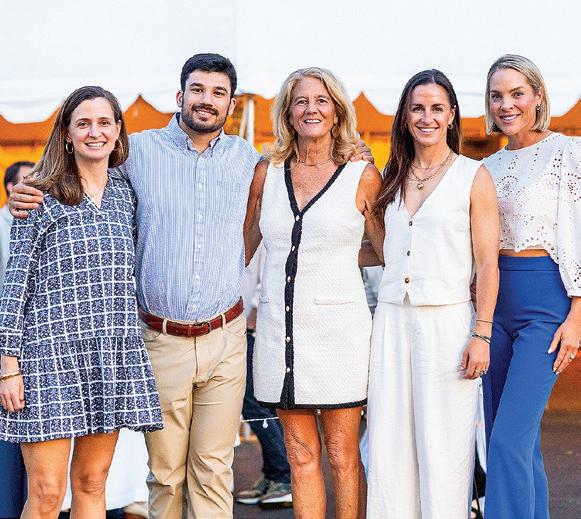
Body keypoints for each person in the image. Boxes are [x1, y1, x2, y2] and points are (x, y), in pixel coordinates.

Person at [9, 54, 372, 519]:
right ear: (180, 96)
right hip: (159, 338)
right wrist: (32, 188)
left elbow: (311, 193)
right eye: (197, 90)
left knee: (214, 469)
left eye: (218, 93)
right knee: (164, 474)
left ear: (231, 105)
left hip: (225, 337)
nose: (207, 100)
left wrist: (353, 154)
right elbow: (85, 167)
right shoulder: (136, 153)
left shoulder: (253, 162)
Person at [0, 86, 163, 519]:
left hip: (109, 353)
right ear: (67, 134)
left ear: (118, 130)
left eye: (104, 122)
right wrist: (8, 365)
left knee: (93, 483)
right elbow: (15, 285)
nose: (95, 132)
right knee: (46, 494)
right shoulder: (40, 195)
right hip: (48, 358)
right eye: (84, 123)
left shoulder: (128, 194)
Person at [244, 67, 383, 519]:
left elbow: (385, 249)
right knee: (300, 455)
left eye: (322, 100)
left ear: (337, 111)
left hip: (339, 336)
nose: (311, 109)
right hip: (279, 335)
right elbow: (243, 247)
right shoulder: (266, 172)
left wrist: (336, 254)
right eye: (301, 101)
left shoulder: (361, 173)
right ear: (287, 112)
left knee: (342, 454)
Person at [366, 69, 499, 519]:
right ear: (405, 116)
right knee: (389, 445)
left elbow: (488, 264)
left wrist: (482, 334)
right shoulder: (391, 176)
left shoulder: (473, 176)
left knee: (444, 447)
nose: (427, 117)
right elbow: (386, 250)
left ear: (452, 114)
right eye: (418, 108)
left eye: (437, 108)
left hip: (448, 324)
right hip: (391, 321)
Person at [481, 54, 580, 519]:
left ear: (538, 96)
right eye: (497, 96)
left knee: (506, 441)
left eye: (517, 93)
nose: (507, 104)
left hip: (545, 304)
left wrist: (577, 315)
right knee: (514, 441)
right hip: (492, 306)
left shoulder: (568, 153)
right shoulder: (486, 166)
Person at [235, 243, 293, 508]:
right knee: (253, 404)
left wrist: (253, 316)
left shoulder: (258, 218)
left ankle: (283, 477)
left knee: (254, 403)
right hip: (241, 326)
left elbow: (273, 267)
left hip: (252, 327)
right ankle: (273, 474)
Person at [0, 161, 33, 519]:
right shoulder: (2, 225)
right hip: (7, 347)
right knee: (8, 443)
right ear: (11, 187)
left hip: (35, 346)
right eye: (26, 181)